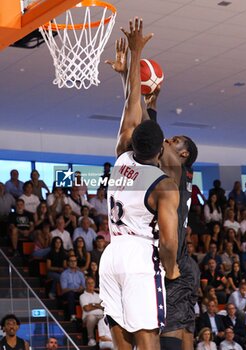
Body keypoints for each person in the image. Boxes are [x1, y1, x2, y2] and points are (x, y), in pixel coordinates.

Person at [106, 22, 199, 350]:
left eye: (176, 141)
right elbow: (140, 124)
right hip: (151, 258)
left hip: (174, 262)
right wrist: (128, 76)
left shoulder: (175, 171)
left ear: (183, 155)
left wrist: (134, 63)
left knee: (171, 341)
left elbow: (138, 122)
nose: (169, 140)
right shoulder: (157, 165)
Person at [79, 276, 104, 347]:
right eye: (88, 283)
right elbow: (86, 308)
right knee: (91, 318)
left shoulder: (99, 295)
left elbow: (103, 306)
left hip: (101, 316)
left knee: (108, 318)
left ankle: (107, 339)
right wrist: (97, 305)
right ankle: (91, 339)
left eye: (92, 283)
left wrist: (92, 305)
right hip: (88, 317)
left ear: (94, 284)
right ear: (85, 285)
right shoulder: (83, 296)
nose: (90, 285)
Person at [60, 255, 85, 321]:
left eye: (75, 261)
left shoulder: (80, 274)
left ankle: (86, 316)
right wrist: (74, 290)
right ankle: (73, 316)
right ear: (68, 262)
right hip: (68, 293)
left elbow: (84, 286)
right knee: (71, 294)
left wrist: (81, 288)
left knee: (86, 293)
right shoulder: (64, 274)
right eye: (71, 261)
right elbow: (64, 289)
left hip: (79, 292)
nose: (73, 262)